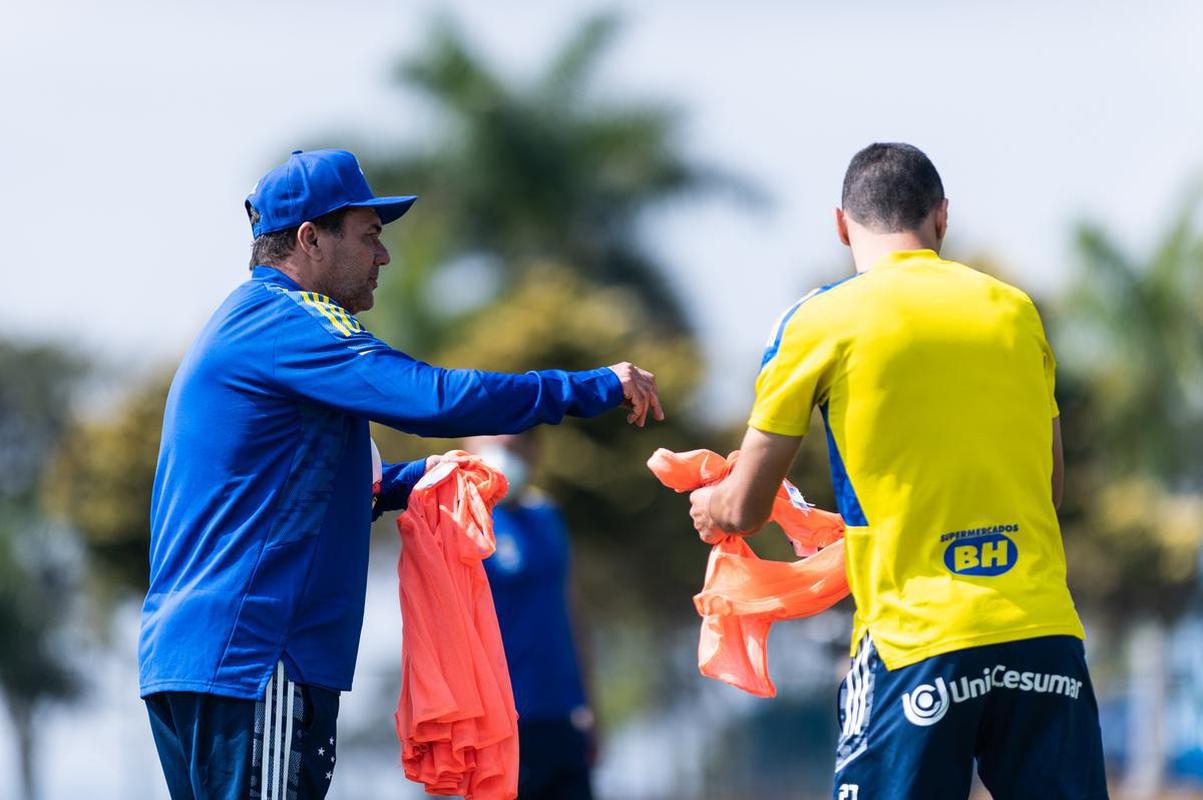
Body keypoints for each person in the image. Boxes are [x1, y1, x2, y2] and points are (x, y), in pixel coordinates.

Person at [139, 148, 663, 800]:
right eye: (369, 236)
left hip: (199, 659)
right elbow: (434, 399)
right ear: (310, 240)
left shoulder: (242, 327)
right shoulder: (292, 320)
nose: (383, 257)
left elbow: (320, 492)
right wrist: (588, 387)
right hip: (258, 658)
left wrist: (427, 479)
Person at [688, 143, 1107, 800]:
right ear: (941, 218)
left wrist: (711, 504)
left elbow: (743, 507)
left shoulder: (819, 320)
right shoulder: (1014, 310)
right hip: (1042, 637)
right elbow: (1047, 491)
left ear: (839, 224)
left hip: (915, 645)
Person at [468, 433, 597, 800]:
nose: (505, 457)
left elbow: (572, 614)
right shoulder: (462, 524)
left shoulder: (548, 517)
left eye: (514, 447)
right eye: (497, 446)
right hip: (494, 730)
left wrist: (589, 707)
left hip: (561, 718)